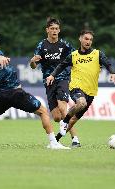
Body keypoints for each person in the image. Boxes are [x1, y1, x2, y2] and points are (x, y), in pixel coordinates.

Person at [46, 29, 115, 143]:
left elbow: (108, 64)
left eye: (90, 39)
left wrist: (113, 72)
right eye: (86, 39)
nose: (88, 41)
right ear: (80, 39)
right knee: (81, 103)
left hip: (91, 91)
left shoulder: (97, 54)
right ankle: (64, 121)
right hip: (76, 87)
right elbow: (61, 66)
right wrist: (52, 75)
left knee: (74, 120)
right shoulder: (73, 56)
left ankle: (55, 141)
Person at [29, 17, 81, 147]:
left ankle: (75, 139)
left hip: (63, 79)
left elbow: (77, 57)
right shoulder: (42, 46)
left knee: (63, 109)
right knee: (57, 117)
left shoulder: (65, 45)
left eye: (56, 29)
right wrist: (32, 61)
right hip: (48, 82)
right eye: (52, 28)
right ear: (47, 30)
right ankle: (65, 130)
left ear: (59, 30)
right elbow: (33, 66)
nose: (54, 31)